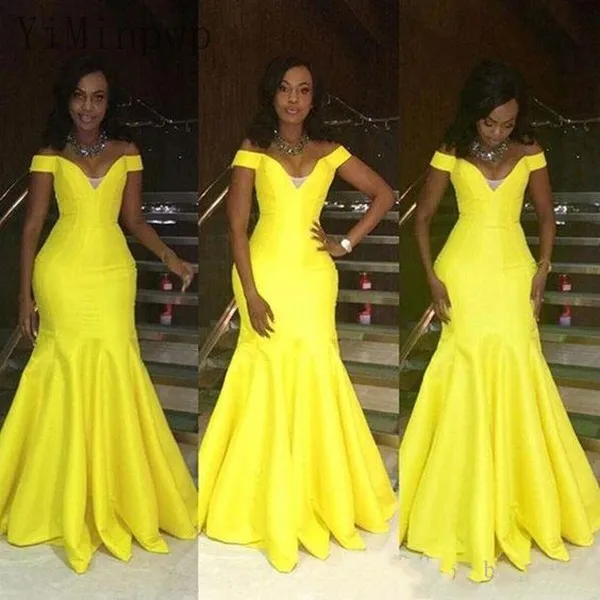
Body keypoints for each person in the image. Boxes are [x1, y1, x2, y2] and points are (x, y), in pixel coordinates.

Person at [398, 60, 600, 582]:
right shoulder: (451, 149)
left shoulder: (529, 150)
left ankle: (521, 493)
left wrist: (544, 269)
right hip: (463, 269)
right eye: (490, 122)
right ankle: (459, 498)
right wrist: (432, 278)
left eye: (507, 123)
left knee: (516, 362)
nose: (498, 132)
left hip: (514, 271)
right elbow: (422, 219)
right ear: (475, 114)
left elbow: (547, 216)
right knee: (465, 367)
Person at [198, 56, 397, 572]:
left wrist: (345, 243)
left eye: (303, 90)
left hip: (313, 278)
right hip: (264, 275)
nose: (293, 99)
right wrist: (250, 291)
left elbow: (385, 194)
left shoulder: (330, 150)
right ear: (272, 95)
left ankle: (316, 490)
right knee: (264, 373)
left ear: (313, 98)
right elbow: (236, 228)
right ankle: (255, 496)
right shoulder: (252, 148)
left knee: (315, 371)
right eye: (285, 89)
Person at [0, 55, 197, 573]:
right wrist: (24, 295)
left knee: (115, 367)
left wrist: (170, 257)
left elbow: (134, 220)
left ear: (109, 103)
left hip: (112, 275)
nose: (88, 107)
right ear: (66, 100)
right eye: (79, 96)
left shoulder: (128, 152)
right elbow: (32, 226)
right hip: (62, 274)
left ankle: (112, 490)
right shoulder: (49, 153)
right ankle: (52, 493)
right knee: (60, 369)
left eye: (98, 97)